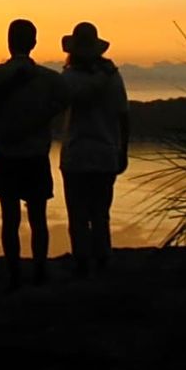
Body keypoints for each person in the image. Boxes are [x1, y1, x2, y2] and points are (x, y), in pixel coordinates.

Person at [0, 19, 68, 289]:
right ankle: (40, 270)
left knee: (9, 218)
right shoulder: (49, 79)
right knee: (38, 217)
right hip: (35, 155)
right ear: (34, 43)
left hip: (5, 153)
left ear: (9, 42)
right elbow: (65, 100)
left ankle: (14, 273)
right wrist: (41, 118)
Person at [59, 22, 129, 277]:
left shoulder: (68, 78)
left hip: (76, 154)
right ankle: (102, 260)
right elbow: (123, 115)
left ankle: (82, 262)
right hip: (105, 153)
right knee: (101, 213)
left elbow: (58, 105)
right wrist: (123, 150)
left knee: (77, 214)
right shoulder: (113, 77)